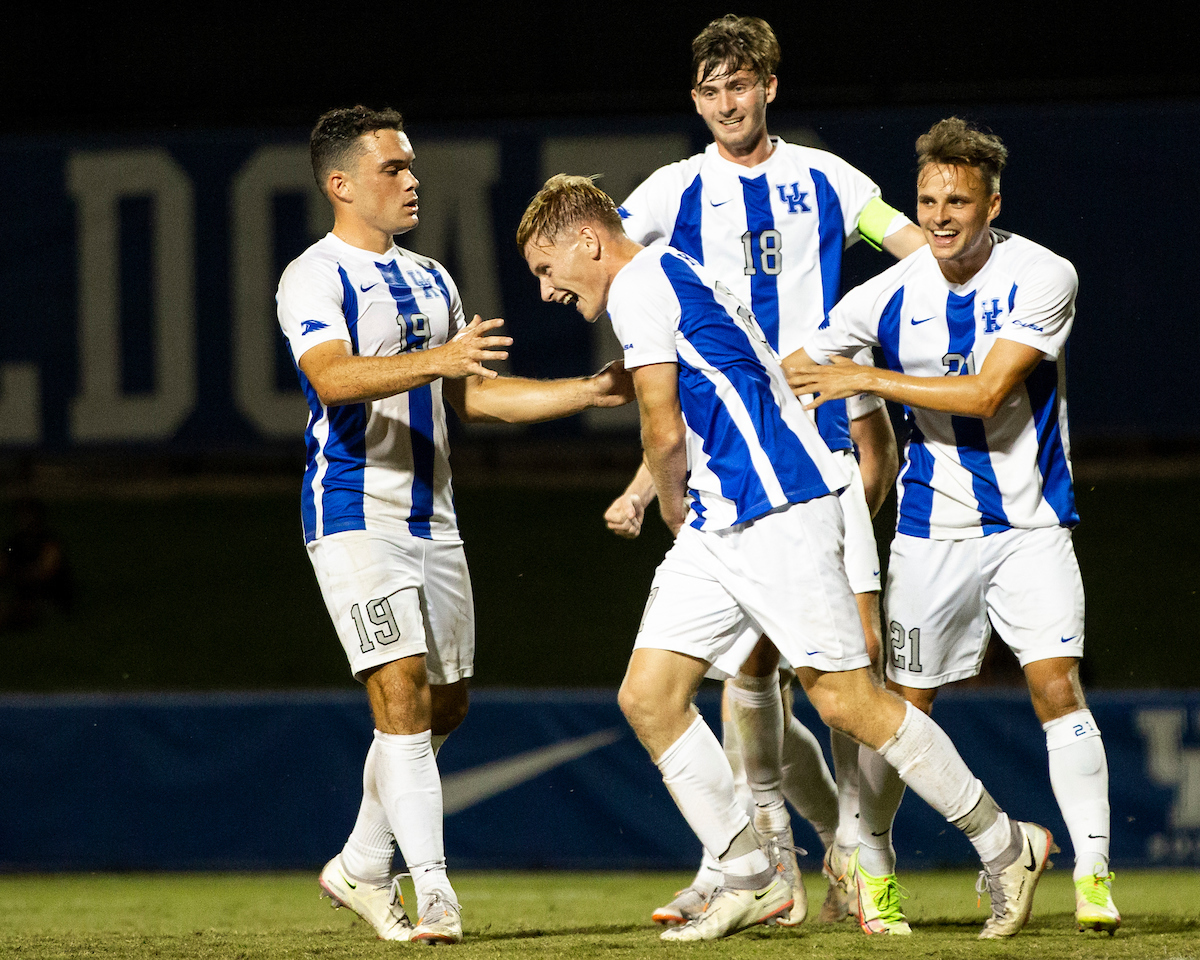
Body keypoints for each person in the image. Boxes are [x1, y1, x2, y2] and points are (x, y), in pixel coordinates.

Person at [519, 172, 1053, 942]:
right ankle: (747, 875)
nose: (547, 290)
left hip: (773, 512)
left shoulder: (639, 284)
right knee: (649, 697)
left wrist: (669, 507)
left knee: (846, 702)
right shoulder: (679, 269)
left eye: (546, 268)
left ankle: (1007, 845)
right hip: (731, 515)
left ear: (586, 241)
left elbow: (662, 428)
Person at [275, 106, 633, 946]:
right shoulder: (313, 277)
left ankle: (361, 865)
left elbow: (472, 396)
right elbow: (330, 379)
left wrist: (585, 394)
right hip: (354, 512)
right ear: (342, 184)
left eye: (410, 166)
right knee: (398, 696)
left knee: (446, 704)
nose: (412, 180)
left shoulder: (434, 278)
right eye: (393, 168)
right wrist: (437, 359)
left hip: (434, 520)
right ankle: (432, 892)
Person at [605, 13, 921, 925]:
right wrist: (636, 455)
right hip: (732, 468)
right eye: (709, 90)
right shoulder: (671, 191)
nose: (725, 103)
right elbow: (610, 257)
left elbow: (918, 261)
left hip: (823, 449)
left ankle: (860, 857)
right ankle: (779, 854)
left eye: (739, 84)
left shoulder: (829, 179)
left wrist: (869, 355)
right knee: (748, 672)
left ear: (770, 86)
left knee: (843, 675)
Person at [787, 117, 1120, 935]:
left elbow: (986, 395)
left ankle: (1096, 877)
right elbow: (799, 364)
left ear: (991, 203)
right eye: (928, 199)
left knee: (1054, 684)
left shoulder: (1045, 273)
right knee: (904, 708)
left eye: (958, 201)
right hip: (931, 534)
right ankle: (877, 875)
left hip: (1030, 523)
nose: (939, 216)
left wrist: (863, 376)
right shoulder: (889, 291)